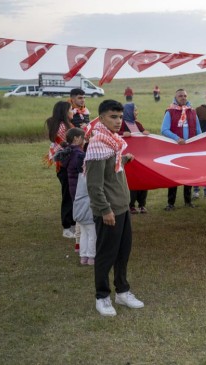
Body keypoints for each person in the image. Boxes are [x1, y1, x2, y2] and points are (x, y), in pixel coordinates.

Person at [85, 99, 143, 317]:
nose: (118, 121)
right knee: (106, 255)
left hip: (122, 208)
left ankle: (122, 291)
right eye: (113, 117)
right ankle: (102, 296)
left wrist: (124, 160)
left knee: (122, 253)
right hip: (109, 210)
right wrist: (105, 210)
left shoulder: (112, 142)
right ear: (101, 118)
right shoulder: (98, 145)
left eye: (120, 117)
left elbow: (110, 171)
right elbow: (94, 185)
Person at [59, 127, 96, 265]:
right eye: (83, 137)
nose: (85, 139)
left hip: (76, 194)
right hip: (84, 193)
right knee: (91, 229)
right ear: (76, 138)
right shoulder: (79, 155)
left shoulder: (68, 154)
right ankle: (91, 257)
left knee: (82, 225)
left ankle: (82, 254)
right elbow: (87, 170)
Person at [161, 89, 202, 211]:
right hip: (175, 149)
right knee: (174, 176)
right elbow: (164, 129)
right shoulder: (170, 111)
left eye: (185, 96)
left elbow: (199, 130)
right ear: (175, 97)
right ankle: (171, 203)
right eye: (180, 96)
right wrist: (177, 138)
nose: (183, 98)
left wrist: (200, 142)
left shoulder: (192, 111)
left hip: (190, 149)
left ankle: (188, 201)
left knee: (189, 175)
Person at [45, 101, 76, 239]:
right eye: (71, 109)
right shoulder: (63, 127)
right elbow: (65, 143)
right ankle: (67, 227)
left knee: (72, 195)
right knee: (68, 195)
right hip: (65, 165)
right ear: (64, 111)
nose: (73, 111)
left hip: (69, 164)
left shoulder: (64, 125)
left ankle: (73, 224)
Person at [120, 102, 150, 214]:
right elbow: (115, 133)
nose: (137, 112)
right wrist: (123, 133)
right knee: (131, 181)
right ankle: (131, 205)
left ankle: (142, 204)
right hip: (129, 159)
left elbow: (142, 133)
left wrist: (145, 133)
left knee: (143, 180)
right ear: (128, 111)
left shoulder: (138, 124)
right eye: (135, 110)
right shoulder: (122, 123)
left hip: (141, 158)